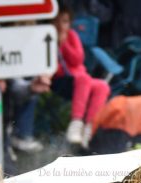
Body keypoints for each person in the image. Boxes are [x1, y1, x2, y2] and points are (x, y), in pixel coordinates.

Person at [41, 4, 109, 147]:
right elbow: (50, 65)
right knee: (84, 79)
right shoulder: (46, 37)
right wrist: (57, 43)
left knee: (102, 86)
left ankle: (89, 128)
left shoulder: (72, 35)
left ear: (70, 23)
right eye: (57, 21)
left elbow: (78, 58)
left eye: (65, 22)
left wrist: (65, 43)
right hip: (60, 81)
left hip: (79, 80)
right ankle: (76, 123)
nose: (60, 25)